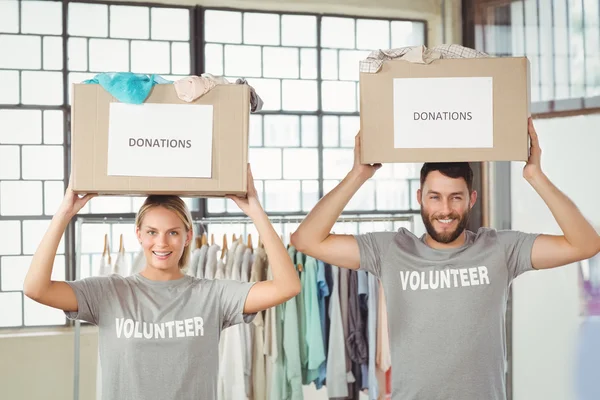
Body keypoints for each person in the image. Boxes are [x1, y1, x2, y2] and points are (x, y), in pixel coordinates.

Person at [290, 118, 600, 400]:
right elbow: (306, 240)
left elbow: (585, 245)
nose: (445, 210)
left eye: (456, 197)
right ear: (419, 198)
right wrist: (358, 174)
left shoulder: (500, 248)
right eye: (435, 197)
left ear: (471, 199)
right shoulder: (391, 250)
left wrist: (535, 176)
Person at [23, 165, 301, 400]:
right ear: (139, 235)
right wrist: (64, 213)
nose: (162, 243)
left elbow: (288, 286)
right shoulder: (108, 292)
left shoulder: (213, 296)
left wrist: (255, 212)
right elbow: (36, 289)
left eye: (173, 232)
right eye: (152, 232)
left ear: (188, 236)